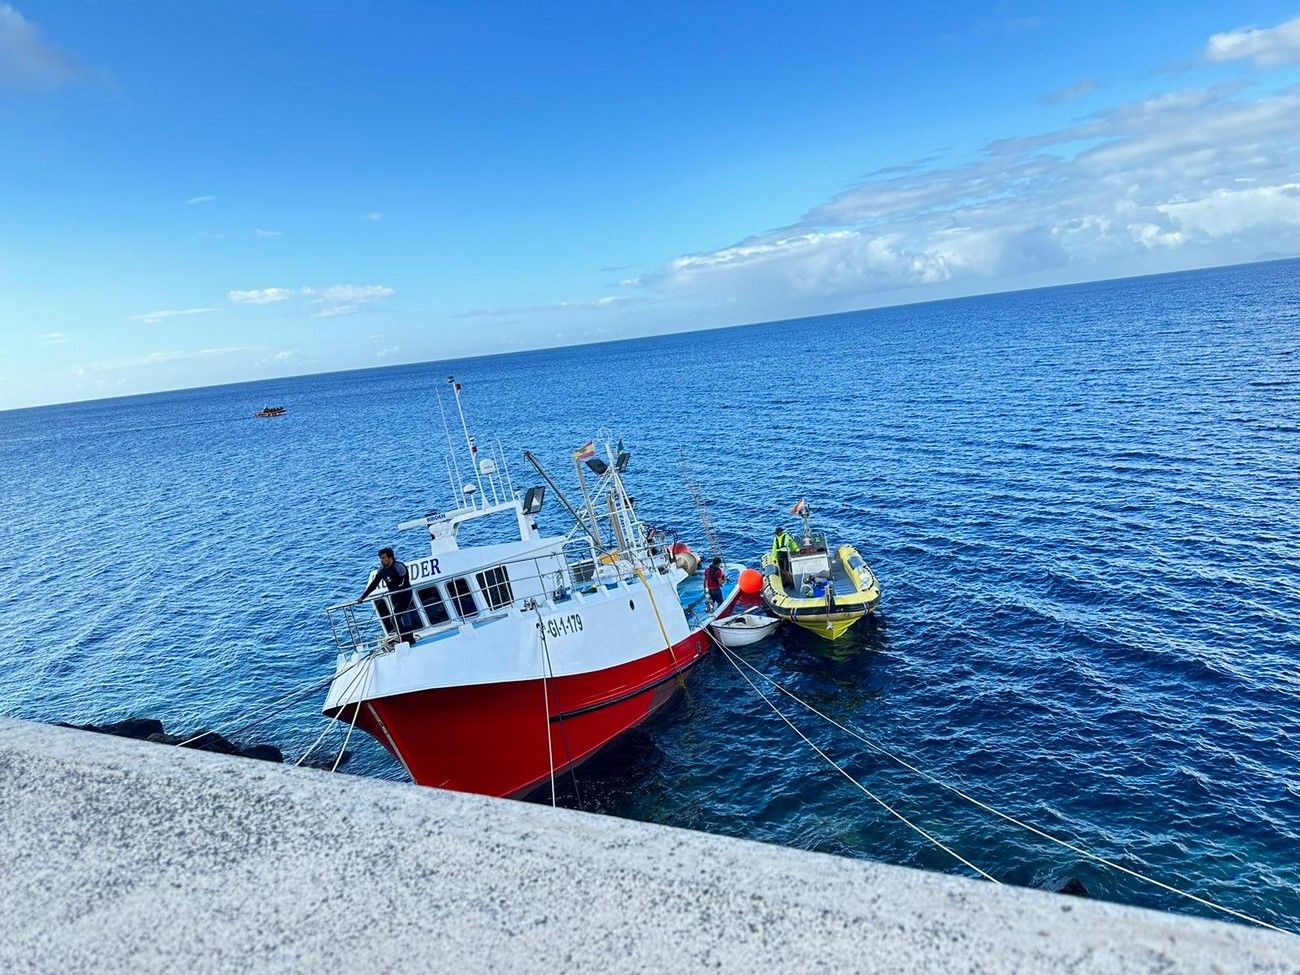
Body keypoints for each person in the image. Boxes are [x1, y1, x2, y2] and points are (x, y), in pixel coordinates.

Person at [359, 547, 418, 644]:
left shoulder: (399, 567)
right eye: (380, 558)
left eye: (383, 558)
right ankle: (409, 638)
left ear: (390, 558)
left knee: (394, 618)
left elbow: (404, 584)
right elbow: (374, 584)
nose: (381, 560)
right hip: (394, 596)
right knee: (403, 616)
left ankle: (405, 639)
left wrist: (393, 591)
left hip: (405, 595)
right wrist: (363, 597)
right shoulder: (381, 570)